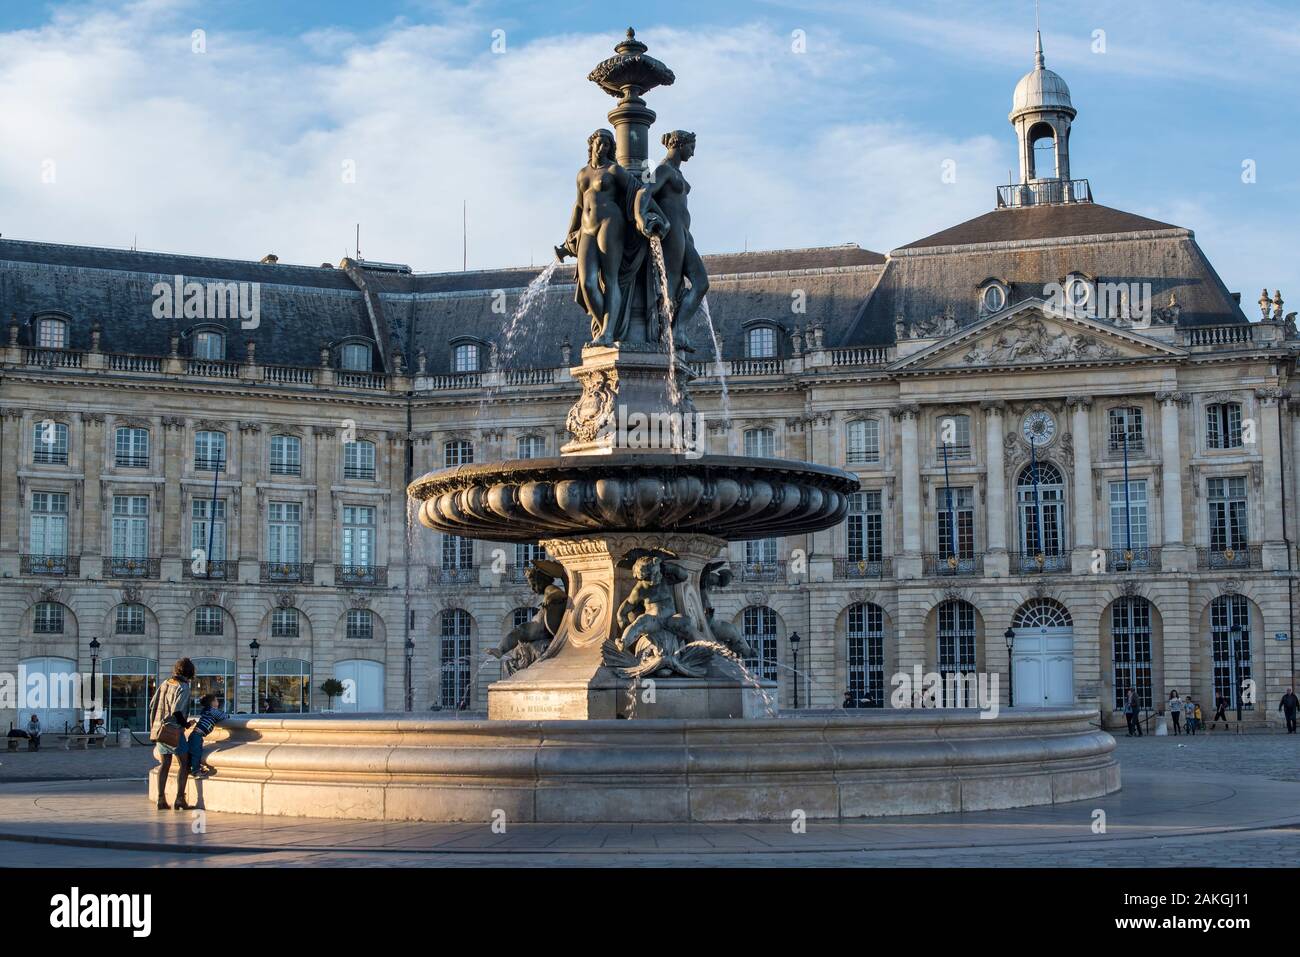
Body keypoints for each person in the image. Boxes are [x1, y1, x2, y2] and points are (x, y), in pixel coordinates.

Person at [147, 657, 194, 811]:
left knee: (165, 763)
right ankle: (180, 799)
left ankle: (161, 799)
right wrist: (186, 724)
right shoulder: (184, 687)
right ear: (190, 672)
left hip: (161, 730)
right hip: (174, 730)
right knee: (185, 764)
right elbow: (177, 710)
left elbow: (152, 704)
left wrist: (155, 724)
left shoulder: (166, 683)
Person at [185, 694, 230, 777]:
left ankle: (190, 768)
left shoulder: (207, 710)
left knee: (193, 752)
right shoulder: (212, 711)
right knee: (196, 753)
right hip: (197, 736)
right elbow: (224, 716)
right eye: (216, 700)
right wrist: (226, 715)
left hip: (196, 735)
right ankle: (195, 771)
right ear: (212, 703)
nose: (218, 701)